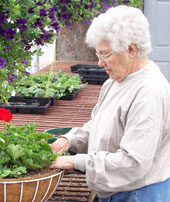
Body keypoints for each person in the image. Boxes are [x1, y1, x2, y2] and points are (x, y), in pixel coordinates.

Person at [50, 5, 170, 202]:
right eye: (98, 55)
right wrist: (69, 140)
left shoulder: (149, 92)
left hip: (138, 194)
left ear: (131, 49)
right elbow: (99, 125)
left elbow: (133, 162)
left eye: (105, 55)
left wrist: (75, 161)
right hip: (115, 189)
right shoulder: (115, 81)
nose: (100, 63)